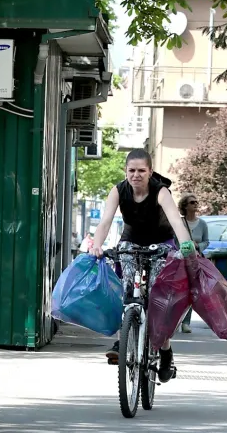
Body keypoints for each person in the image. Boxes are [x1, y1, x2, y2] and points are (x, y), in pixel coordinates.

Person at [89, 150, 196, 382]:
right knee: (128, 290)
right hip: (131, 242)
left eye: (141, 170)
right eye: (131, 170)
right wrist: (97, 245)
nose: (136, 175)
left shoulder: (161, 191)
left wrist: (186, 247)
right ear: (126, 171)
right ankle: (124, 337)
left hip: (161, 243)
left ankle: (165, 350)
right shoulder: (118, 190)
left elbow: (177, 222)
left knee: (158, 299)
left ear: (150, 172)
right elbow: (106, 220)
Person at [177, 194, 209, 333]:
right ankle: (176, 319)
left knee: (191, 290)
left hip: (195, 261)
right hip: (179, 260)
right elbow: (173, 240)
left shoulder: (202, 224)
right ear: (185, 206)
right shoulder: (179, 222)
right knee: (178, 290)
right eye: (192, 202)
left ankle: (186, 322)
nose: (195, 204)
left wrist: (198, 246)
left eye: (196, 202)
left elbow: (206, 241)